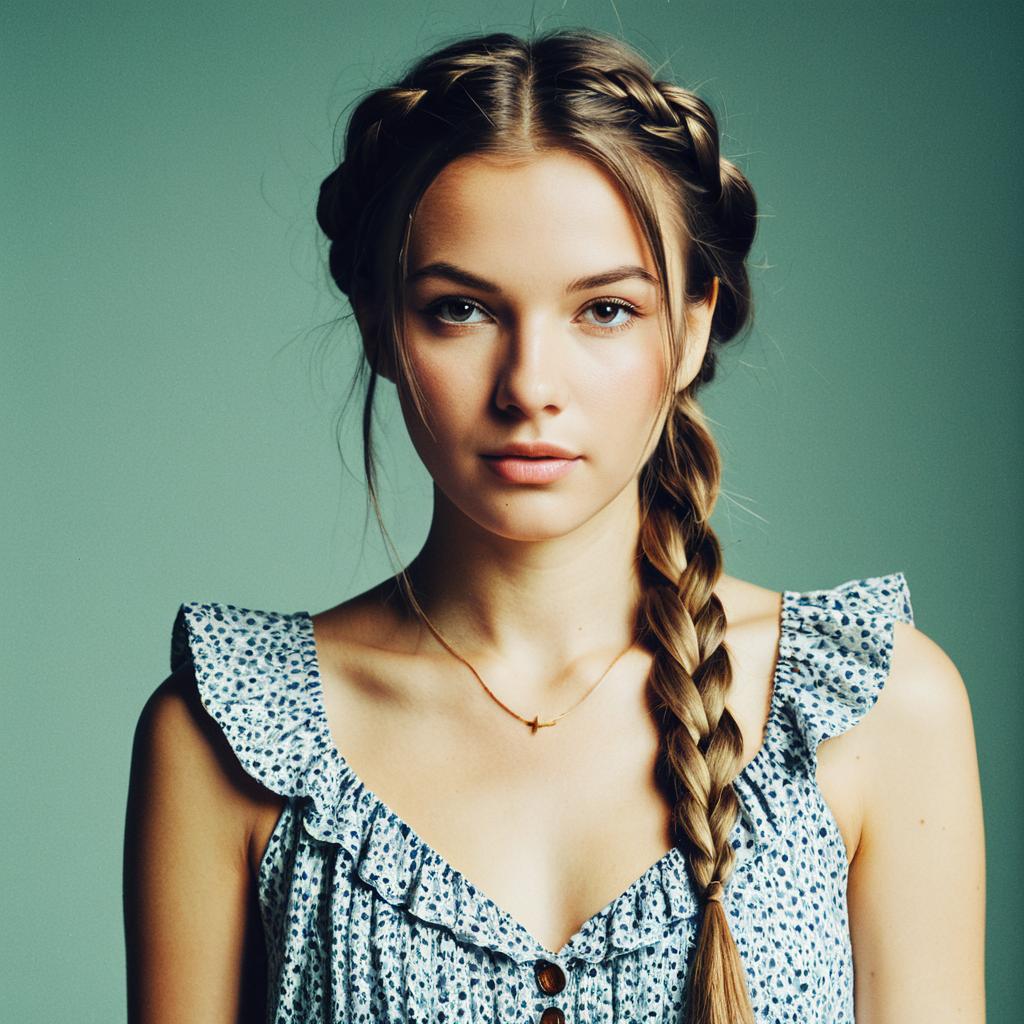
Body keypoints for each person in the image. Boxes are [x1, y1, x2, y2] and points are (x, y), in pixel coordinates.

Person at [122, 26, 986, 1024]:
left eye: (604, 311)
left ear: (693, 323)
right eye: (461, 310)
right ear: (378, 325)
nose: (530, 386)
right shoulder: (228, 732)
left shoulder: (879, 710)